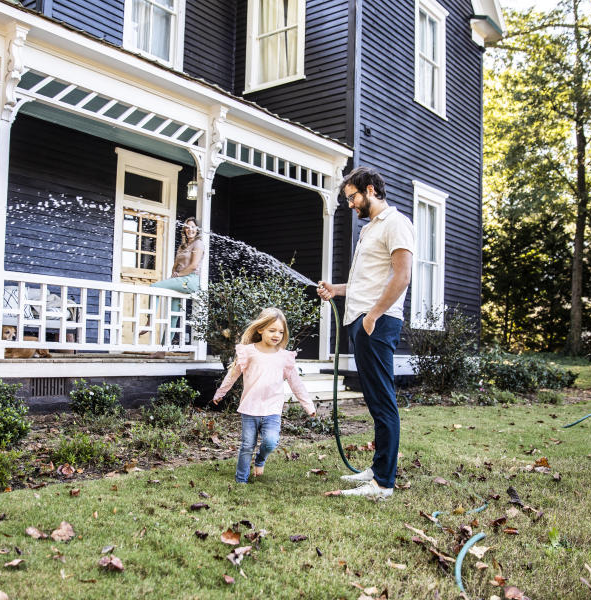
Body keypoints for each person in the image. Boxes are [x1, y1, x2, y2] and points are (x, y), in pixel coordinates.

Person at [317, 167, 415, 499]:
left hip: (378, 322)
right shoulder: (370, 229)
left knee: (383, 401)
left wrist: (373, 316)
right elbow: (365, 283)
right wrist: (337, 289)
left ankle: (383, 484)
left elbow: (401, 278)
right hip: (363, 319)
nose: (349, 205)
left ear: (369, 190)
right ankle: (378, 469)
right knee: (375, 400)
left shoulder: (396, 223)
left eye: (352, 197)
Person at [212, 307, 316, 483]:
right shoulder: (249, 352)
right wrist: (220, 392)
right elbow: (233, 374)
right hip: (250, 408)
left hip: (272, 409)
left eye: (281, 332)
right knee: (246, 446)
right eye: (272, 330)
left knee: (270, 442)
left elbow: (296, 384)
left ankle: (260, 460)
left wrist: (308, 406)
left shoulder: (284, 357)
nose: (277, 335)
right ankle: (241, 480)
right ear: (260, 329)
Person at [149, 217, 203, 341]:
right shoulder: (182, 247)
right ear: (184, 230)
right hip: (180, 280)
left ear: (197, 229)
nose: (190, 229)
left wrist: (178, 275)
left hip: (190, 280)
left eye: (193, 227)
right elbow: (175, 266)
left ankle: (150, 320)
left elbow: (194, 265)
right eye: (187, 227)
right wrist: (173, 275)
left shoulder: (198, 243)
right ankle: (163, 349)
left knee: (154, 287)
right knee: (173, 314)